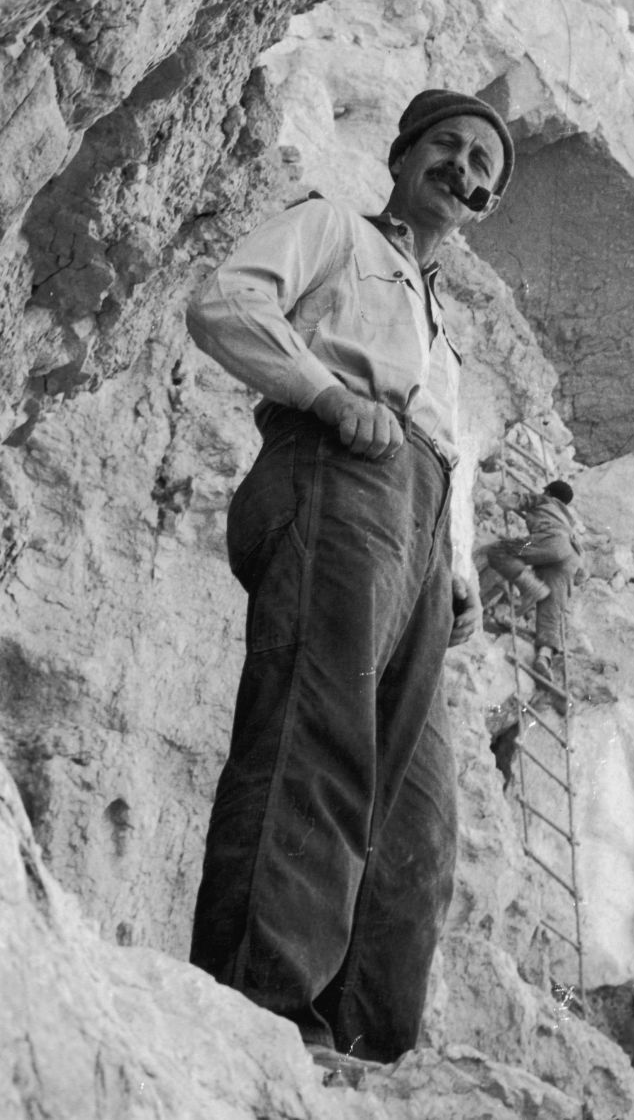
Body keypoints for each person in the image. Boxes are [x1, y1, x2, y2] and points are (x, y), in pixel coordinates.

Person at [185, 88, 513, 1074]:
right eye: (450, 148)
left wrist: (457, 572)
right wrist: (328, 394)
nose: (468, 171)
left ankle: (360, 1041)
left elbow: (451, 454)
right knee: (314, 733)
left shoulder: (442, 335)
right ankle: (261, 1010)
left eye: (485, 169)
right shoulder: (335, 228)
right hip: (341, 474)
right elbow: (225, 303)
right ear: (404, 158)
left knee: (417, 813)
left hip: (416, 532)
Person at [481, 479, 583, 685]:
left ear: (548, 491)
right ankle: (544, 656)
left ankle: (531, 587)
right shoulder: (569, 520)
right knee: (551, 609)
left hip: (548, 541)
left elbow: (507, 502)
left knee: (499, 550)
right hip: (572, 557)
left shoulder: (543, 499)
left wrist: (504, 493)